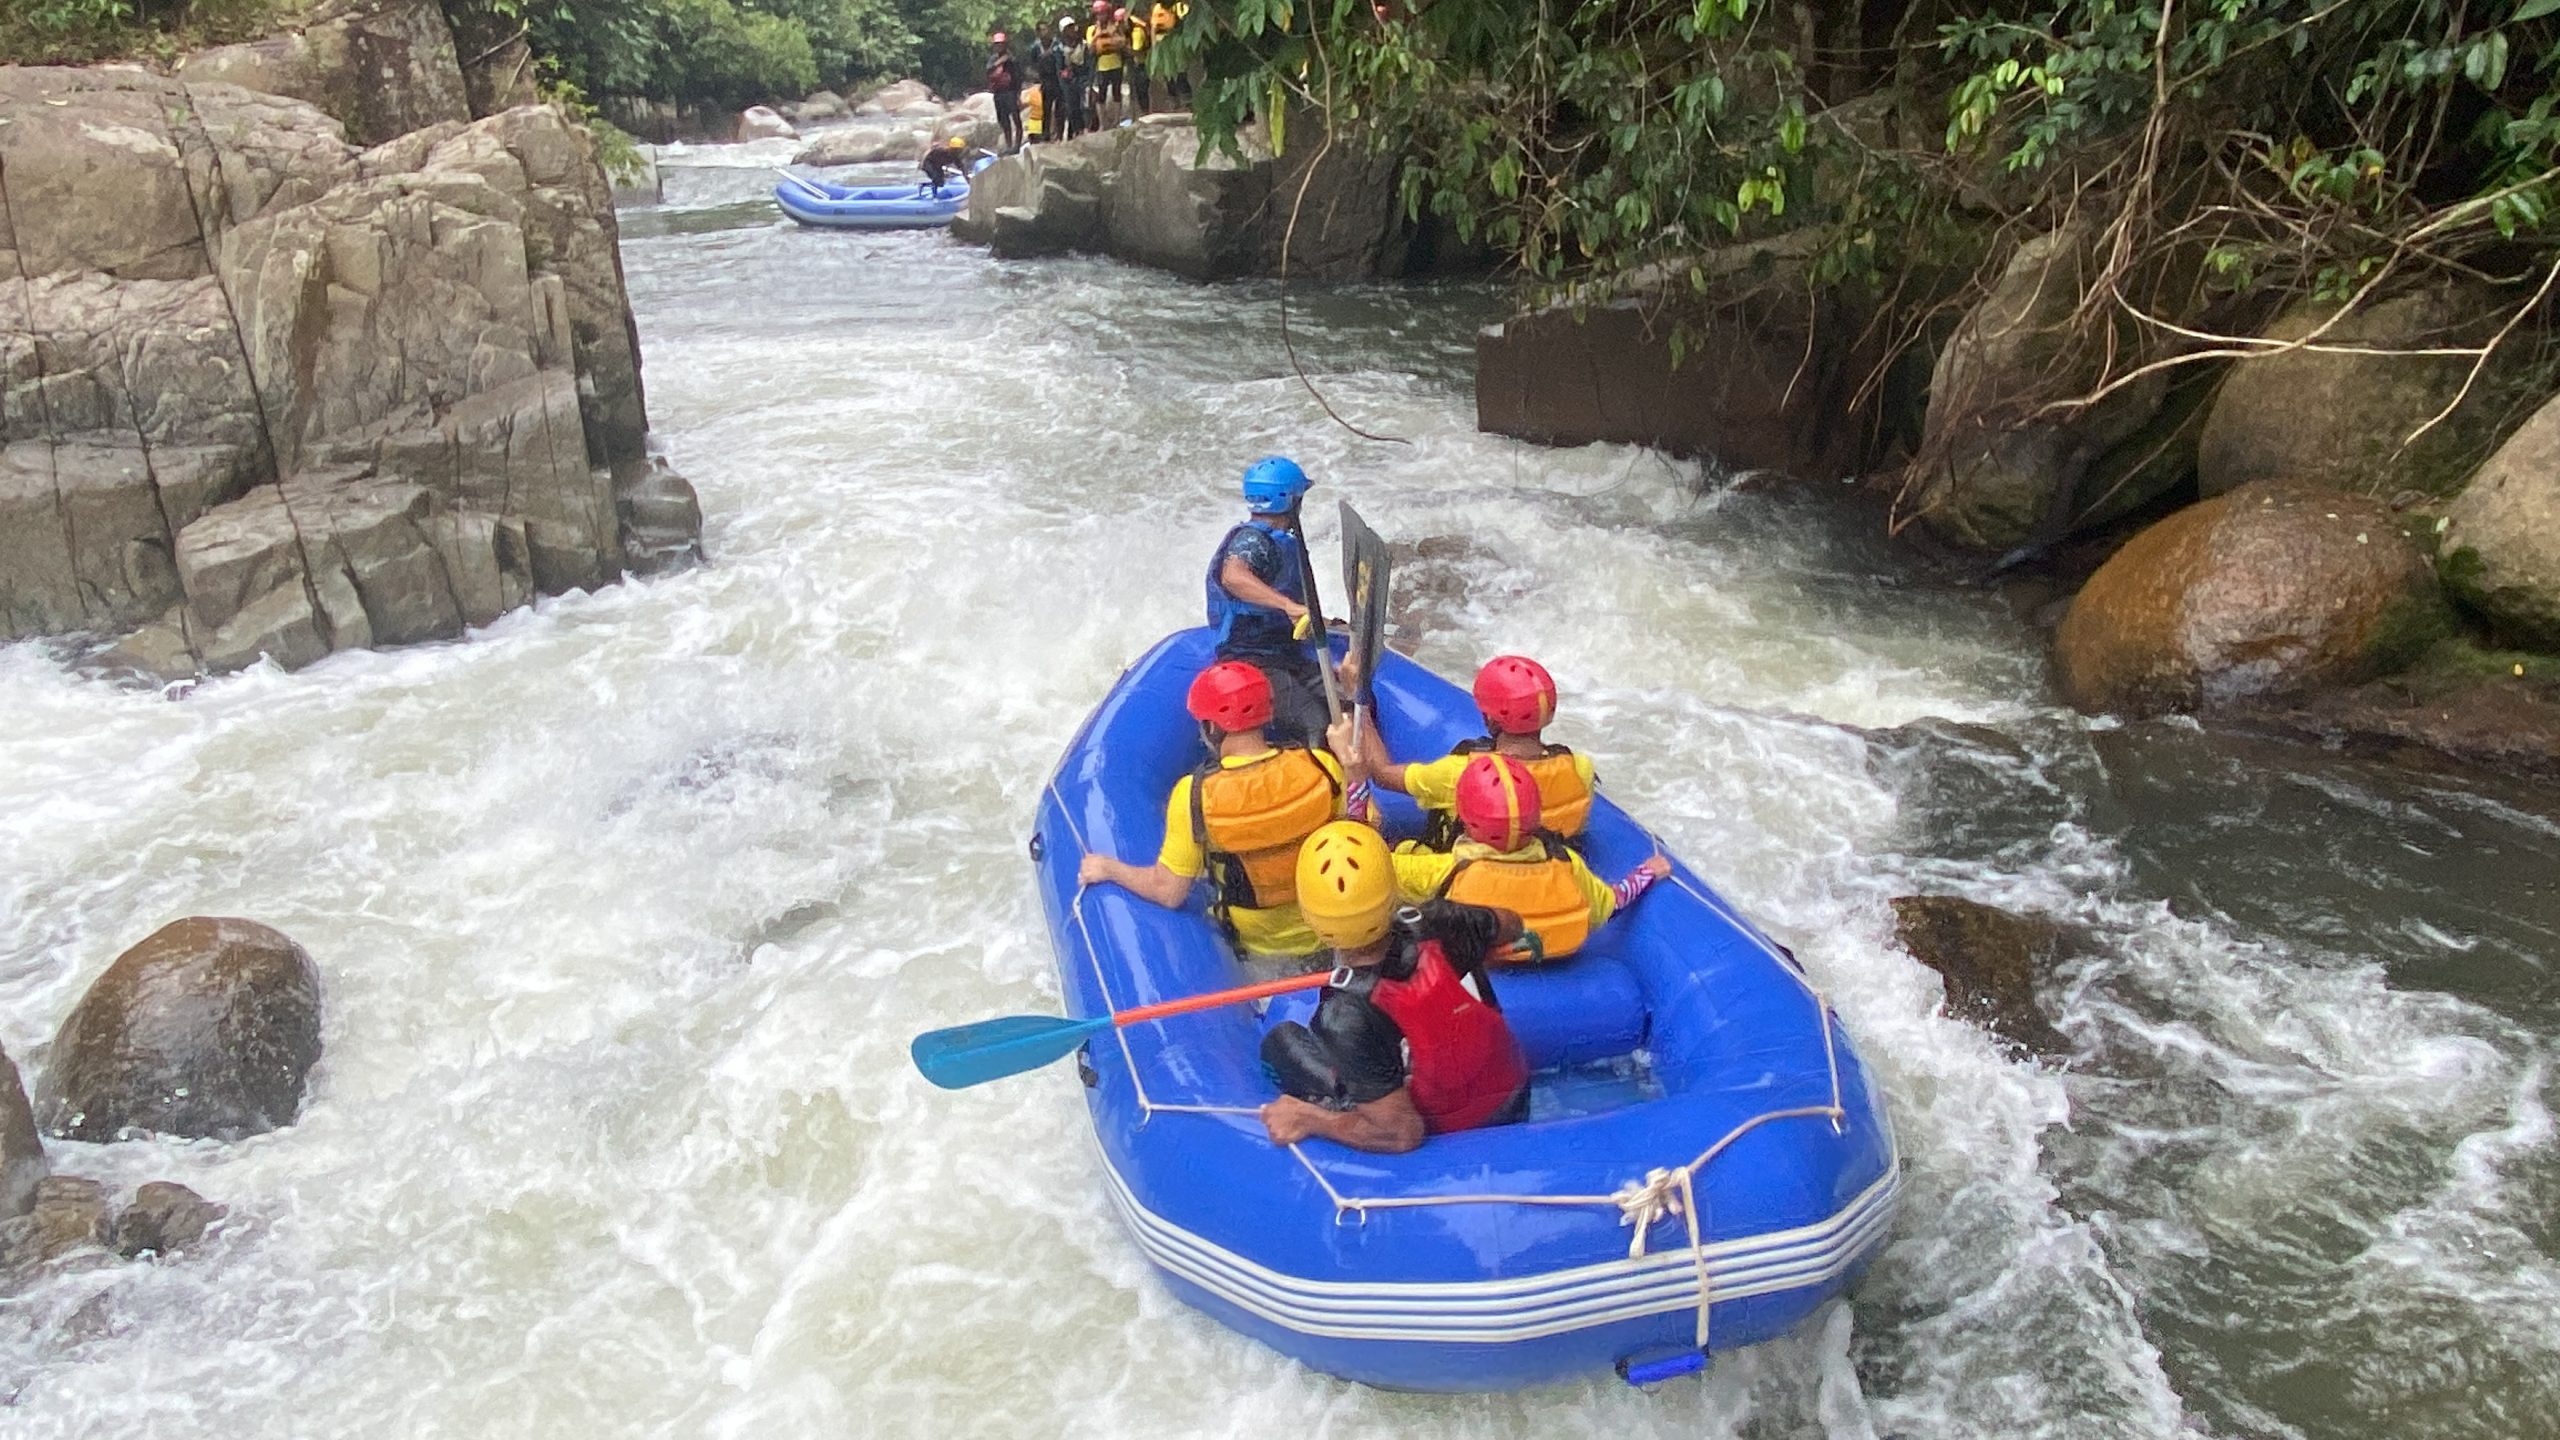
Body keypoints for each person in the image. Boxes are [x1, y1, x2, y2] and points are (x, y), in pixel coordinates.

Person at [1258, 821, 1531, 1153]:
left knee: (1281, 1041)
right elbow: (1511, 925)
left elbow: (1402, 1133)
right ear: (1392, 887)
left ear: (1309, 916)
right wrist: (1470, 945)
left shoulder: (1342, 1015)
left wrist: (1311, 1119)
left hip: (1444, 1127)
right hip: (1514, 1096)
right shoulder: (1440, 920)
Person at [1077, 662, 1360, 958]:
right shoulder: (1321, 766)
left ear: (1212, 728)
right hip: (1330, 926)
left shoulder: (1194, 794)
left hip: (1255, 946)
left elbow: (1168, 892)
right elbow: (1359, 830)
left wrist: (1108, 868)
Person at [1385, 754, 1668, 961]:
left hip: (1480, 977)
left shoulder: (1440, 871)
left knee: (1404, 849)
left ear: (1467, 819)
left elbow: (1371, 874)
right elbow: (1612, 903)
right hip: (1557, 966)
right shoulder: (1566, 862)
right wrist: (1646, 873)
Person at [1364, 655, 1598, 849]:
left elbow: (1382, 774)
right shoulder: (1580, 768)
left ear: (1490, 719)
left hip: (1468, 872)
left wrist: (1361, 711)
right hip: (1548, 869)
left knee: (1401, 848)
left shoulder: (1462, 773)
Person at [1205, 456, 1332, 750]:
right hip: (1250, 659)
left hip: (1283, 655)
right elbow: (1233, 576)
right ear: (1291, 500)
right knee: (1315, 724)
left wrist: (1321, 621)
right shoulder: (1253, 541)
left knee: (1345, 702)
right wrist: (1287, 606)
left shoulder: (1278, 539)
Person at [986, 33, 1025, 152]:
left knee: (1016, 118)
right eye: (997, 44)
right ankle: (1009, 145)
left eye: (1001, 44)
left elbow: (1018, 76)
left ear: (1005, 44)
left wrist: (1018, 94)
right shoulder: (993, 59)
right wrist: (999, 62)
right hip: (999, 93)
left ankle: (1017, 145)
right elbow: (988, 70)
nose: (999, 46)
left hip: (1010, 91)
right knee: (1003, 120)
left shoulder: (1012, 59)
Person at [1089, 0, 1125, 128]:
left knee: (1116, 92)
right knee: (1101, 94)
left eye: (1103, 13)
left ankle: (1117, 121)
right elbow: (1090, 49)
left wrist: (1111, 34)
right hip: (1102, 65)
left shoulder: (1116, 27)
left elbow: (1123, 42)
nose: (1101, 16)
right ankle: (1103, 124)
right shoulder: (1092, 30)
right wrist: (1097, 36)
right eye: (1098, 14)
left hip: (1116, 63)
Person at [1032, 20, 1066, 148]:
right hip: (1045, 81)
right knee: (1046, 108)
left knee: (1060, 108)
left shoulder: (1057, 44)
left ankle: (1060, 134)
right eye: (1042, 30)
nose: (1045, 32)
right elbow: (1033, 63)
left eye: (1046, 29)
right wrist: (1037, 77)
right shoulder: (1036, 47)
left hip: (1058, 79)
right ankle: (1045, 134)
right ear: (1038, 33)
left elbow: (1063, 59)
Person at [1058, 17, 1090, 137]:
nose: (1072, 30)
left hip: (1082, 77)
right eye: (1068, 28)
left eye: (1072, 27)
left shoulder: (1083, 45)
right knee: (1072, 107)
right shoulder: (1059, 48)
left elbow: (1088, 63)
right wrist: (1064, 74)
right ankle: (1077, 130)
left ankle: (1086, 128)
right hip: (1068, 81)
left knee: (1085, 105)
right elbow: (1059, 67)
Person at [1124, 5, 1150, 117]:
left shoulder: (1137, 32)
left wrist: (1123, 46)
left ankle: (1145, 112)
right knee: (1137, 89)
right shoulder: (1129, 32)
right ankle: (1141, 112)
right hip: (1136, 65)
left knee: (1142, 89)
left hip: (1142, 64)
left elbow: (1136, 51)